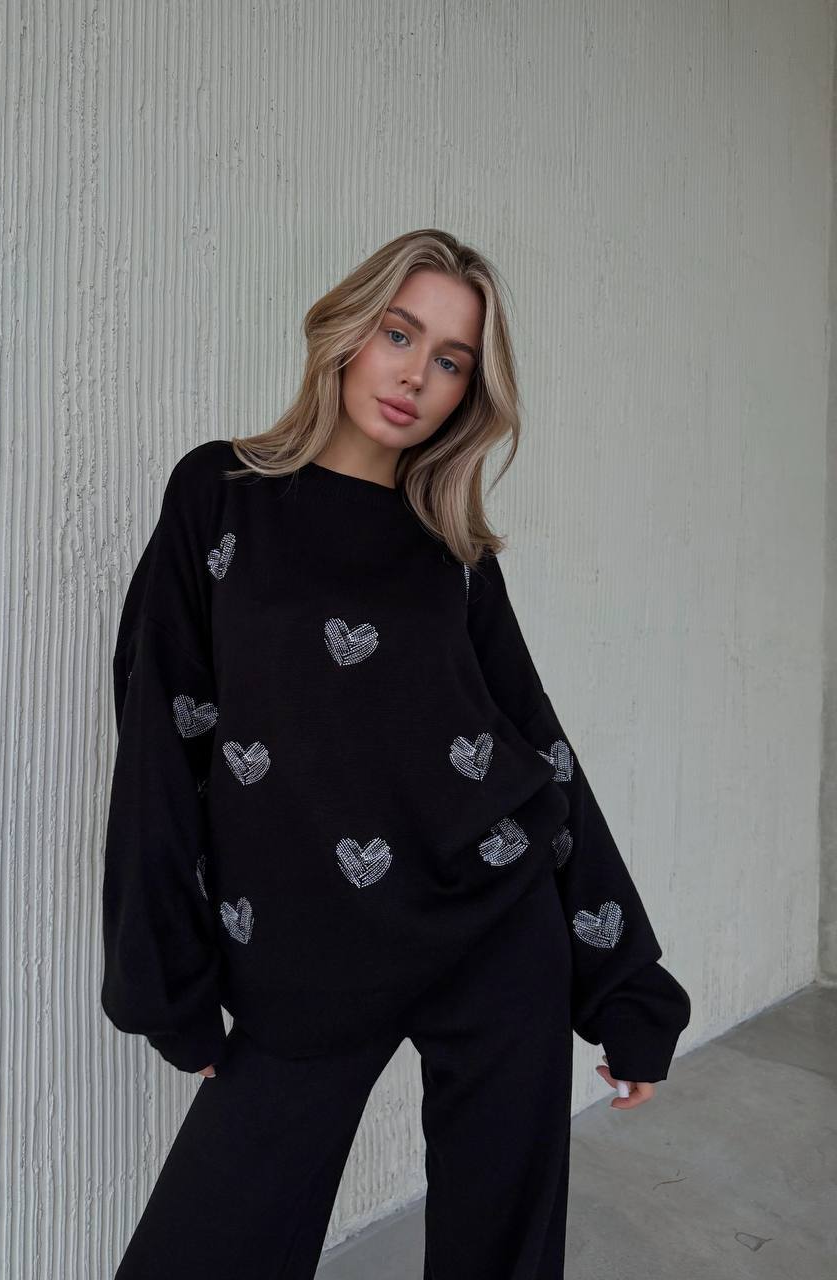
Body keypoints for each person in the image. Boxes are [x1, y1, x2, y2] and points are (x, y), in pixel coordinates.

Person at [100, 229, 692, 1279]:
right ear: (346, 332)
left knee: (500, 1252)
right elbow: (162, 735)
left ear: (471, 390)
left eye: (452, 357)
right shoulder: (219, 494)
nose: (417, 373)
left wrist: (625, 982)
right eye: (399, 332)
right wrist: (169, 972)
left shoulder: (451, 551)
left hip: (491, 934)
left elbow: (538, 752)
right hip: (307, 953)